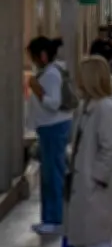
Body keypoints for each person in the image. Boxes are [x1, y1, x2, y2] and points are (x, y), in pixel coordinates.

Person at [63, 56, 112, 247]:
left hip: (95, 184)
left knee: (96, 235)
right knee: (80, 233)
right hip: (80, 179)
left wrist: (97, 177)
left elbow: (110, 147)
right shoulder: (85, 107)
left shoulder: (105, 109)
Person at [26, 36, 72, 235]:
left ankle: (55, 218)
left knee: (53, 175)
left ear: (42, 56)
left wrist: (37, 90)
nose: (32, 61)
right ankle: (48, 217)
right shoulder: (49, 72)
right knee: (49, 174)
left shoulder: (51, 74)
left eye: (33, 56)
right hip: (49, 128)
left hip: (54, 127)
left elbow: (53, 103)